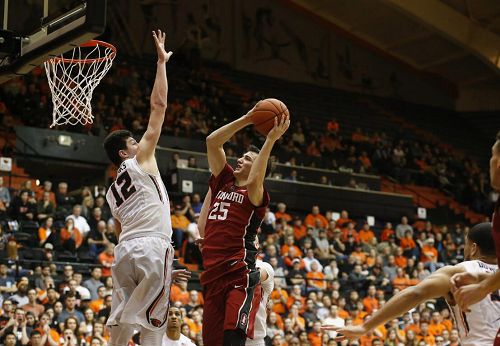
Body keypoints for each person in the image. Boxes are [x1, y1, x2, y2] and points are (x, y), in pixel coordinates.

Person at [103, 30, 190, 346]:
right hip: (153, 245)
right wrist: (161, 62)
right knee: (155, 320)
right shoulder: (142, 161)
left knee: (125, 315)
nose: (140, 143)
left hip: (124, 250)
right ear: (124, 153)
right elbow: (159, 105)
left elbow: (118, 229)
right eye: (133, 142)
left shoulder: (113, 190)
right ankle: (131, 315)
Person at [197, 104, 290, 345]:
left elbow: (257, 177)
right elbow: (212, 142)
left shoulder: (255, 194)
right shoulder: (223, 180)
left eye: (248, 158)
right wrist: (247, 118)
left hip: (239, 273)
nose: (240, 159)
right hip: (212, 275)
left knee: (232, 339)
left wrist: (270, 140)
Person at [322, 222, 500, 346]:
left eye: (466, 245)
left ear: (474, 248)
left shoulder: (459, 271)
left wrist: (364, 327)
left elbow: (415, 294)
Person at [451, 130, 500, 346]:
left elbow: (414, 294)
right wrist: (484, 283)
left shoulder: (461, 269)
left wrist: (482, 286)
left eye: (492, 155)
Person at [246, 246, 275, 346]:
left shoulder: (265, 266)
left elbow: (253, 275)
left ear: (256, 245)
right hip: (229, 334)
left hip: (253, 339)